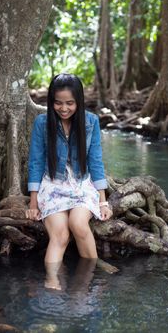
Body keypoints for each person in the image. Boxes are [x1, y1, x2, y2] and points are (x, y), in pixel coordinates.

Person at [25, 73, 112, 265]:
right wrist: (33, 203)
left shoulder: (91, 122)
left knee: (78, 225)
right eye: (58, 103)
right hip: (52, 185)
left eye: (70, 103)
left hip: (81, 184)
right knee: (61, 236)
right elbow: (36, 161)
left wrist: (103, 202)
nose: (64, 108)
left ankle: (88, 288)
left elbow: (96, 161)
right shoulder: (42, 123)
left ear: (79, 102)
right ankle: (51, 289)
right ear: (51, 101)